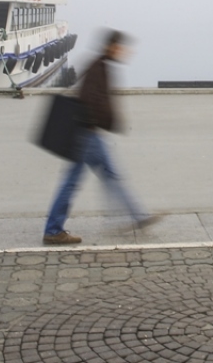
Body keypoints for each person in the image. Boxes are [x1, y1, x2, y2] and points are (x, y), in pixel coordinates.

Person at [42, 30, 156, 245]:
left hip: (86, 132)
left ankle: (136, 215)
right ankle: (54, 229)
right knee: (97, 178)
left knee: (86, 179)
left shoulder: (100, 65)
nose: (123, 51)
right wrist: (109, 121)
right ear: (111, 47)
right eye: (120, 47)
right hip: (87, 134)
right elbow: (90, 99)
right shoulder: (99, 67)